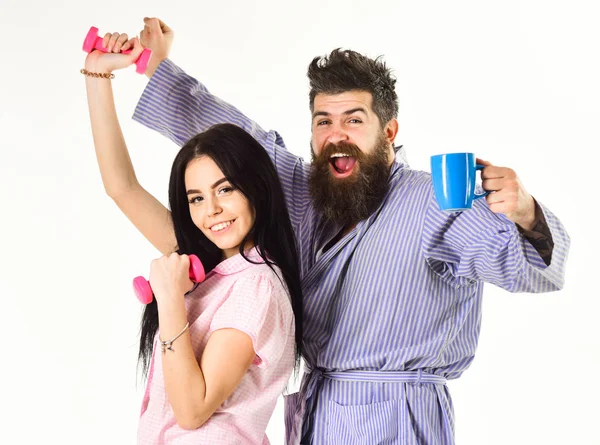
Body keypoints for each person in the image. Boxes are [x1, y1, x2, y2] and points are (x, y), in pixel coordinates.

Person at [123, 18, 568, 444]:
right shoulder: (304, 191)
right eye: (323, 121)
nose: (336, 135)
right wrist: (155, 67)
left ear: (389, 131)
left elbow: (532, 273)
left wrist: (527, 214)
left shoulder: (436, 200)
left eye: (353, 120)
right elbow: (236, 140)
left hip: (399, 416)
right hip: (318, 413)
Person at [83, 35, 305, 444]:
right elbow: (122, 187)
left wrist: (170, 300)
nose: (212, 211)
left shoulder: (255, 285)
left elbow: (192, 408)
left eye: (225, 190)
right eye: (197, 198)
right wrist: (97, 73)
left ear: (255, 187)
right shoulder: (210, 267)